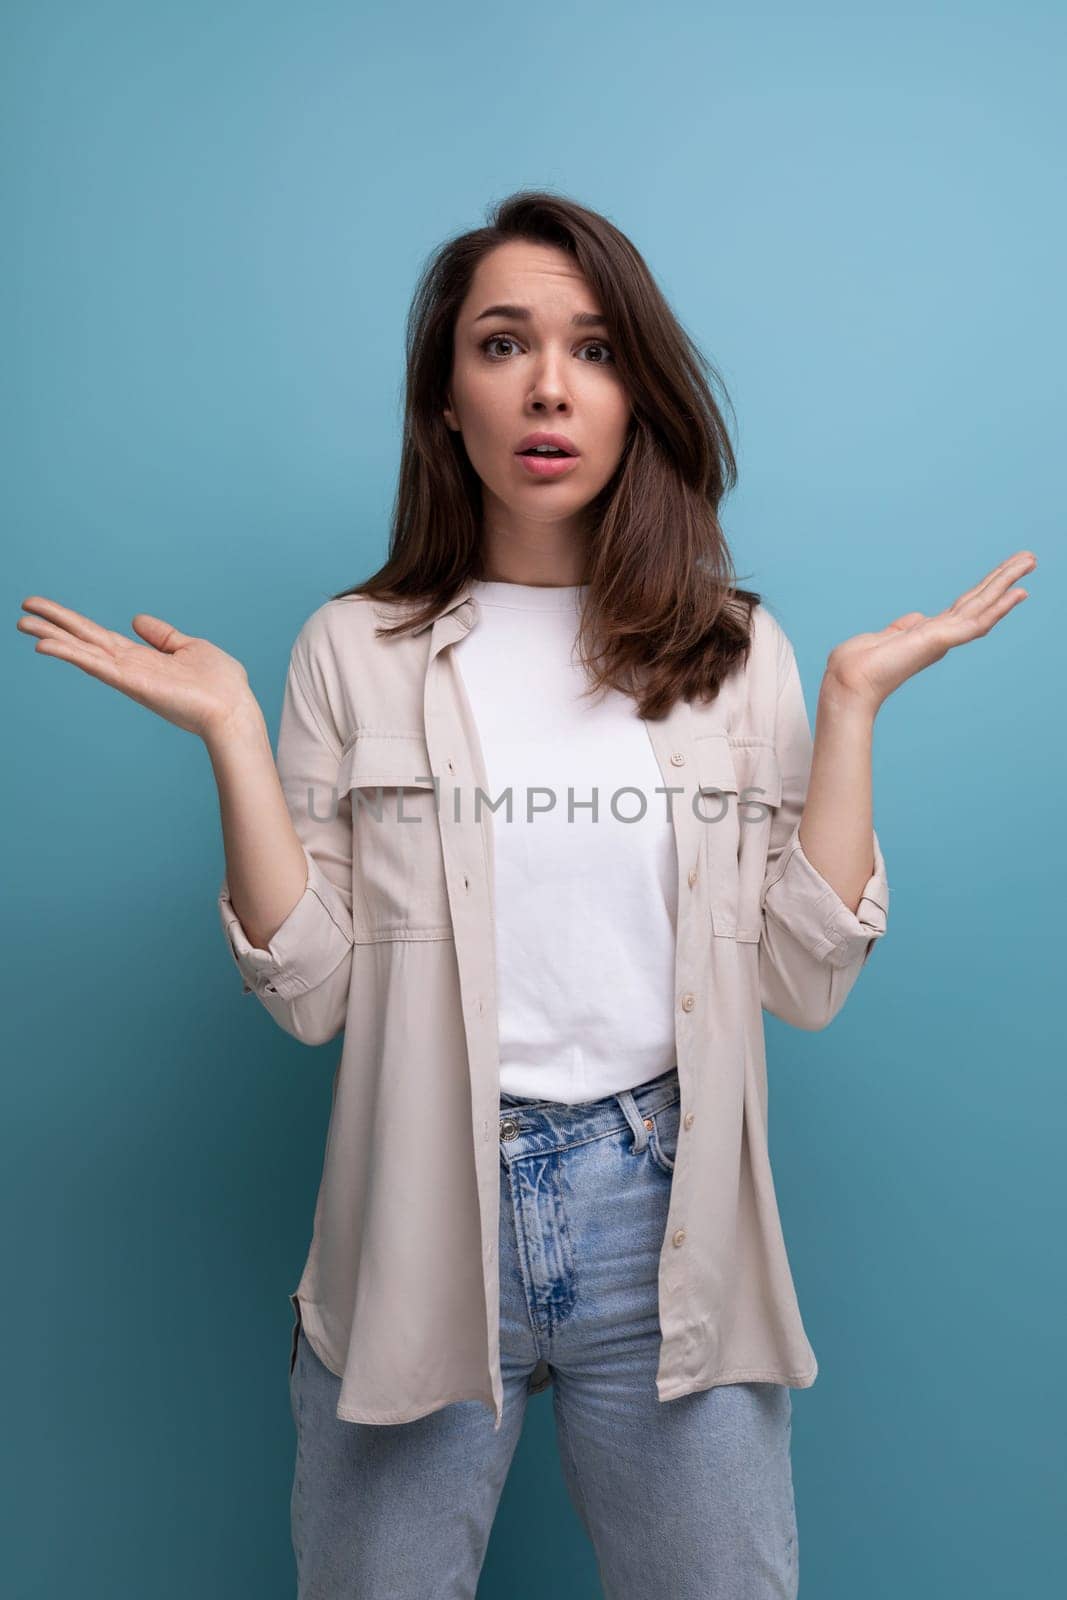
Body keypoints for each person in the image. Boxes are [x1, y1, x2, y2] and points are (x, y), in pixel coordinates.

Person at [16, 190, 1036, 1600]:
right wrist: (236, 738)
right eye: (502, 345)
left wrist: (850, 710)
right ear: (447, 399)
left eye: (596, 350)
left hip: (669, 1221)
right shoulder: (350, 652)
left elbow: (805, 980)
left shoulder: (737, 653)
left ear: (639, 397)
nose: (549, 386)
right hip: (417, 1209)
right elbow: (314, 999)